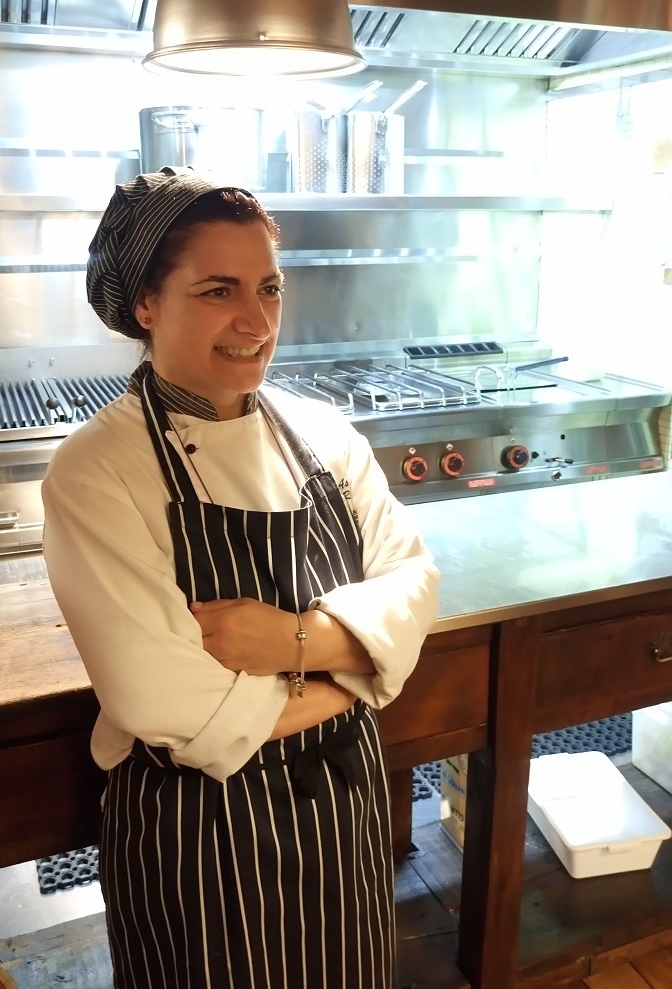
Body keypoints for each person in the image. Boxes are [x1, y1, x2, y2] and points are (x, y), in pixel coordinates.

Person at [42, 166, 439, 989]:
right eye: (218, 290)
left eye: (269, 287)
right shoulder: (98, 468)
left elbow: (412, 581)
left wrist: (293, 641)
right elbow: (163, 699)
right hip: (200, 835)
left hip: (345, 813)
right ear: (146, 304)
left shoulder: (324, 433)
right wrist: (357, 673)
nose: (256, 321)